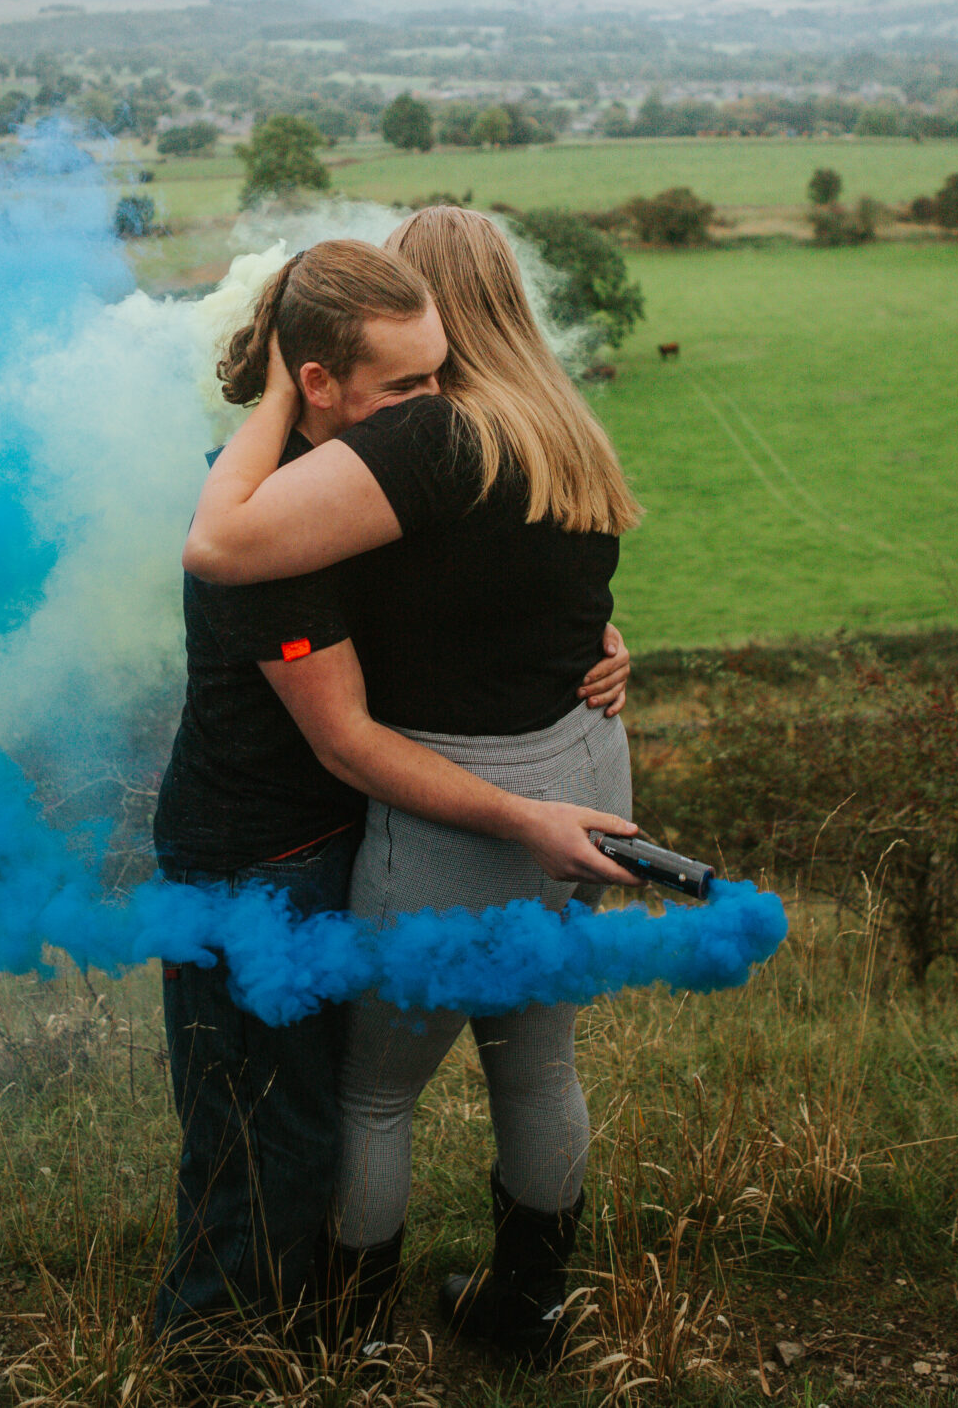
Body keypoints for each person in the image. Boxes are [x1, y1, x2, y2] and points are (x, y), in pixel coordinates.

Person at [151, 236, 634, 1380]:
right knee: (519, 1068)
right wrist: (598, 651)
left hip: (434, 811)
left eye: (430, 368)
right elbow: (527, 609)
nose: (426, 394)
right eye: (406, 377)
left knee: (364, 1098)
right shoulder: (549, 429)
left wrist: (592, 649)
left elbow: (262, 563)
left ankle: (352, 1332)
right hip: (559, 782)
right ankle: (509, 1310)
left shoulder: (421, 446)